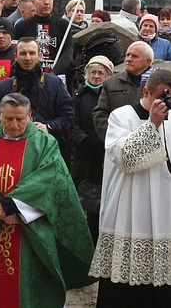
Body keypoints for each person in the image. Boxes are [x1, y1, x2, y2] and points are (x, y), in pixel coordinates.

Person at [0, 92, 94, 307]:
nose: (14, 124)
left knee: (30, 287)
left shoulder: (45, 142)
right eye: (8, 119)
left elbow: (51, 178)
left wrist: (12, 206)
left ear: (30, 116)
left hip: (30, 227)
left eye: (20, 119)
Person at [90, 69, 171, 307]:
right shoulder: (121, 116)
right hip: (132, 208)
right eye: (161, 95)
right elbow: (126, 158)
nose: (167, 101)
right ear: (145, 91)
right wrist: (152, 124)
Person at [0, 38, 75, 161]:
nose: (27, 58)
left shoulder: (54, 83)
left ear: (40, 55)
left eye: (32, 53)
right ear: (15, 56)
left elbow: (69, 117)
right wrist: (11, 125)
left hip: (46, 150)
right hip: (11, 150)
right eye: (23, 53)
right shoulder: (3, 86)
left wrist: (48, 127)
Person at [67, 55, 114, 243]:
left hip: (106, 155)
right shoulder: (79, 96)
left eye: (100, 73)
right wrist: (85, 141)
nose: (96, 76)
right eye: (93, 72)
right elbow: (72, 123)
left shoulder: (111, 95)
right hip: (84, 156)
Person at [93, 41, 153, 142]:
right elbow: (100, 113)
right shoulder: (111, 83)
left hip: (150, 144)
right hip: (117, 144)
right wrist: (113, 137)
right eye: (127, 55)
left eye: (135, 56)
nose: (129, 59)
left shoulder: (158, 84)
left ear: (147, 61)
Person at [14, 0, 74, 78]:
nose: (46, 2)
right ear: (33, 2)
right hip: (29, 77)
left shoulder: (63, 25)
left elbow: (68, 52)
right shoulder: (21, 26)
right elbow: (17, 54)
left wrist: (54, 72)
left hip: (57, 77)